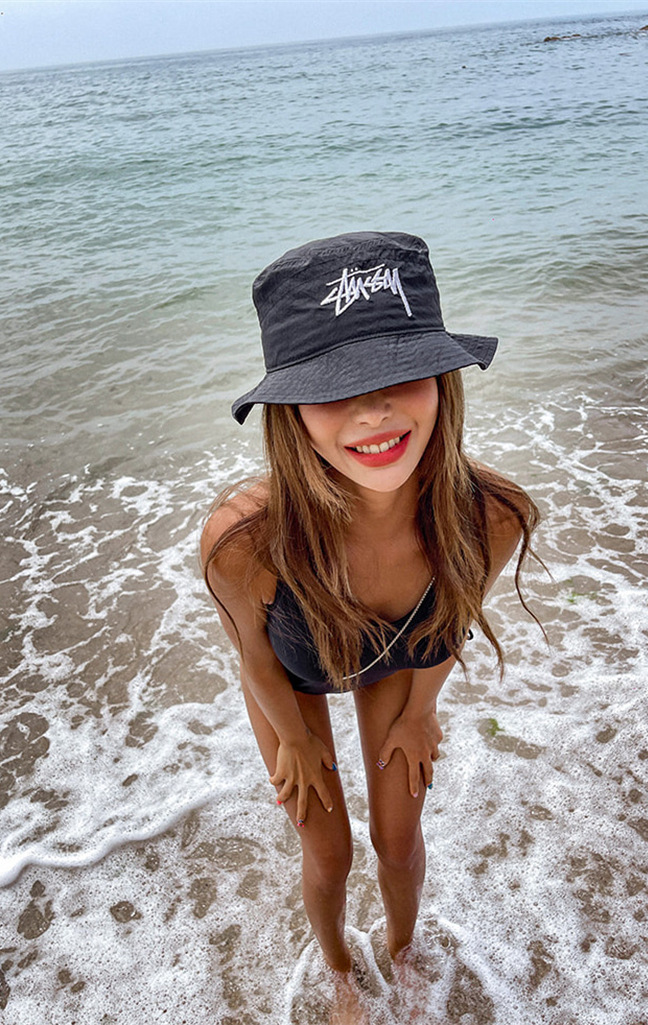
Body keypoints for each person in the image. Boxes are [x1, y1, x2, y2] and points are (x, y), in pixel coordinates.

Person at [201, 231, 540, 1005]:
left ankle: (405, 955)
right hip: (295, 673)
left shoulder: (490, 515)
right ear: (289, 409)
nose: (372, 410)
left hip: (401, 658)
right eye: (332, 385)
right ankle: (339, 975)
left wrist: (419, 711)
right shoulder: (245, 539)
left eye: (400, 371)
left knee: (397, 839)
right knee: (329, 852)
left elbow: (452, 619)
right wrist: (292, 738)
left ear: (443, 376)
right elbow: (253, 655)